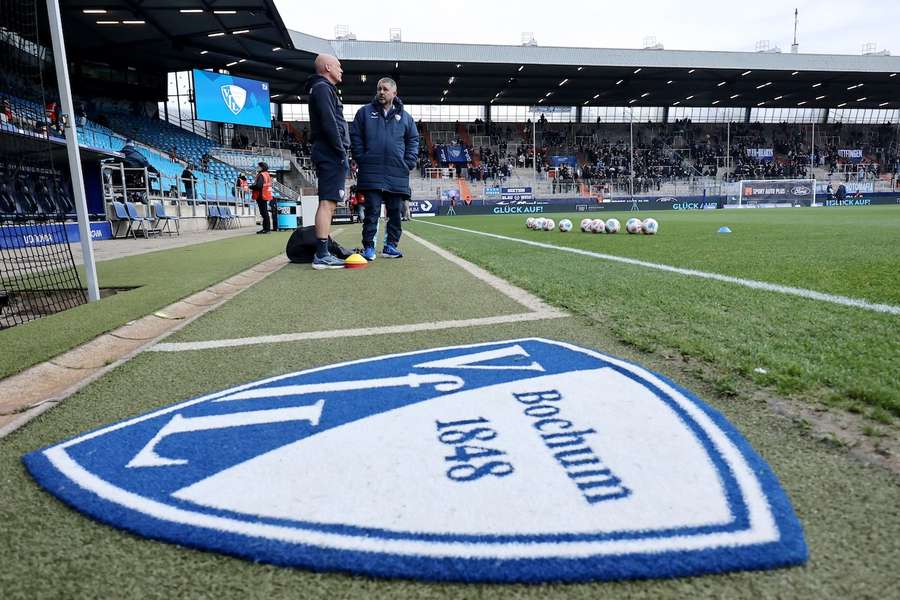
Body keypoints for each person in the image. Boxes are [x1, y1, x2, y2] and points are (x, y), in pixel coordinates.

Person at [349, 77, 419, 260]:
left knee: (395, 212)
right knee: (371, 211)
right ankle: (369, 247)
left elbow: (413, 140)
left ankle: (390, 246)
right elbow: (355, 136)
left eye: (385, 89)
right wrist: (362, 158)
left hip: (397, 172)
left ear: (394, 93)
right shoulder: (364, 113)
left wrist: (408, 162)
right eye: (379, 88)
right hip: (371, 171)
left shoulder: (406, 118)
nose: (381, 92)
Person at [305, 53, 350, 269]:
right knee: (327, 203)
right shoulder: (322, 88)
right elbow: (329, 122)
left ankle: (324, 251)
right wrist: (340, 151)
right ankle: (322, 254)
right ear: (328, 67)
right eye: (338, 66)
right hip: (330, 152)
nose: (341, 70)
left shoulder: (323, 88)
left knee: (329, 203)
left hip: (330, 151)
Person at [250, 161, 274, 234]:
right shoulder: (267, 174)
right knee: (265, 213)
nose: (257, 167)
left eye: (259, 166)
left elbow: (259, 186)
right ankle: (266, 229)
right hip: (265, 195)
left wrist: (251, 187)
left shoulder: (261, 175)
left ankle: (266, 229)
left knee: (264, 213)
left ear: (262, 167)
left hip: (261, 195)